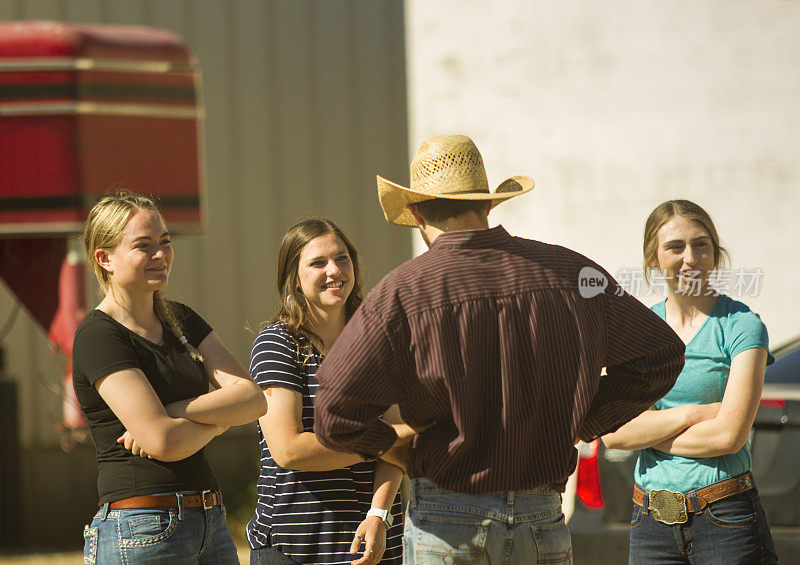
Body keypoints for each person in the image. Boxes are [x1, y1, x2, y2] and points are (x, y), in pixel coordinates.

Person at [312, 134, 685, 564]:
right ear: (489, 205)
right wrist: (582, 420)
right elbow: (661, 356)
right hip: (543, 520)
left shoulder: (402, 293)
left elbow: (334, 415)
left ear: (415, 213)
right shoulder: (571, 271)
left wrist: (397, 449)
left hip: (446, 522)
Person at [73, 192, 266, 564]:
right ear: (104, 258)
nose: (161, 254)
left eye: (164, 242)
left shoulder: (181, 318)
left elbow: (254, 399)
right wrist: (219, 419)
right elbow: (162, 441)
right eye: (144, 246)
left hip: (211, 519)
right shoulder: (99, 335)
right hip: (141, 525)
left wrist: (175, 411)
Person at [602, 199, 777, 564]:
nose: (691, 258)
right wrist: (697, 414)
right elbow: (614, 434)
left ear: (715, 253)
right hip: (649, 522)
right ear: (654, 258)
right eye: (675, 247)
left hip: (725, 518)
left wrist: (648, 428)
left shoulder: (742, 326)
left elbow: (728, 437)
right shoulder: (639, 331)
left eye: (701, 244)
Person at [246, 218, 403, 565]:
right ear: (294, 278)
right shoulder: (277, 344)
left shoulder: (379, 341)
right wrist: (382, 442)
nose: (334, 270)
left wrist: (379, 515)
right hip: (296, 547)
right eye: (318, 263)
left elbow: (399, 440)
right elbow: (289, 450)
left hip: (374, 542)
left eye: (342, 258)